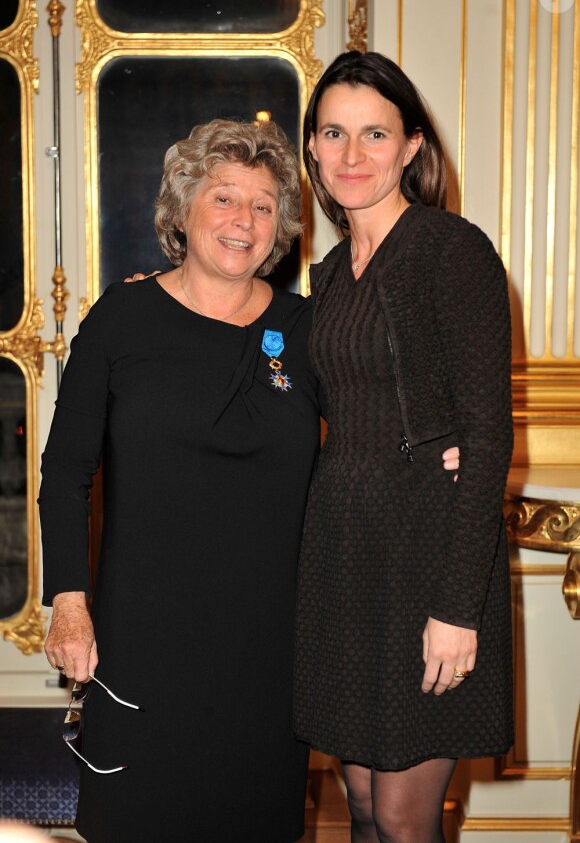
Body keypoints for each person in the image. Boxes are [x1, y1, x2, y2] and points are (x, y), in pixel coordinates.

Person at [39, 118, 322, 843]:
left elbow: (378, 430)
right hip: (141, 645)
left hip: (266, 653)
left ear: (281, 226)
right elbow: (65, 469)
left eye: (263, 206)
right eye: (225, 198)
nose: (243, 221)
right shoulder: (122, 318)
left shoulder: (309, 331)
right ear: (183, 210)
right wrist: (69, 602)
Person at [292, 51, 514, 843]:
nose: (352, 155)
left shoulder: (449, 249)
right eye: (334, 133)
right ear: (312, 147)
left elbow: (488, 432)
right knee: (355, 800)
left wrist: (458, 606)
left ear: (413, 146)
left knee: (399, 815)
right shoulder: (329, 274)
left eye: (375, 133)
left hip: (427, 557)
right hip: (347, 556)